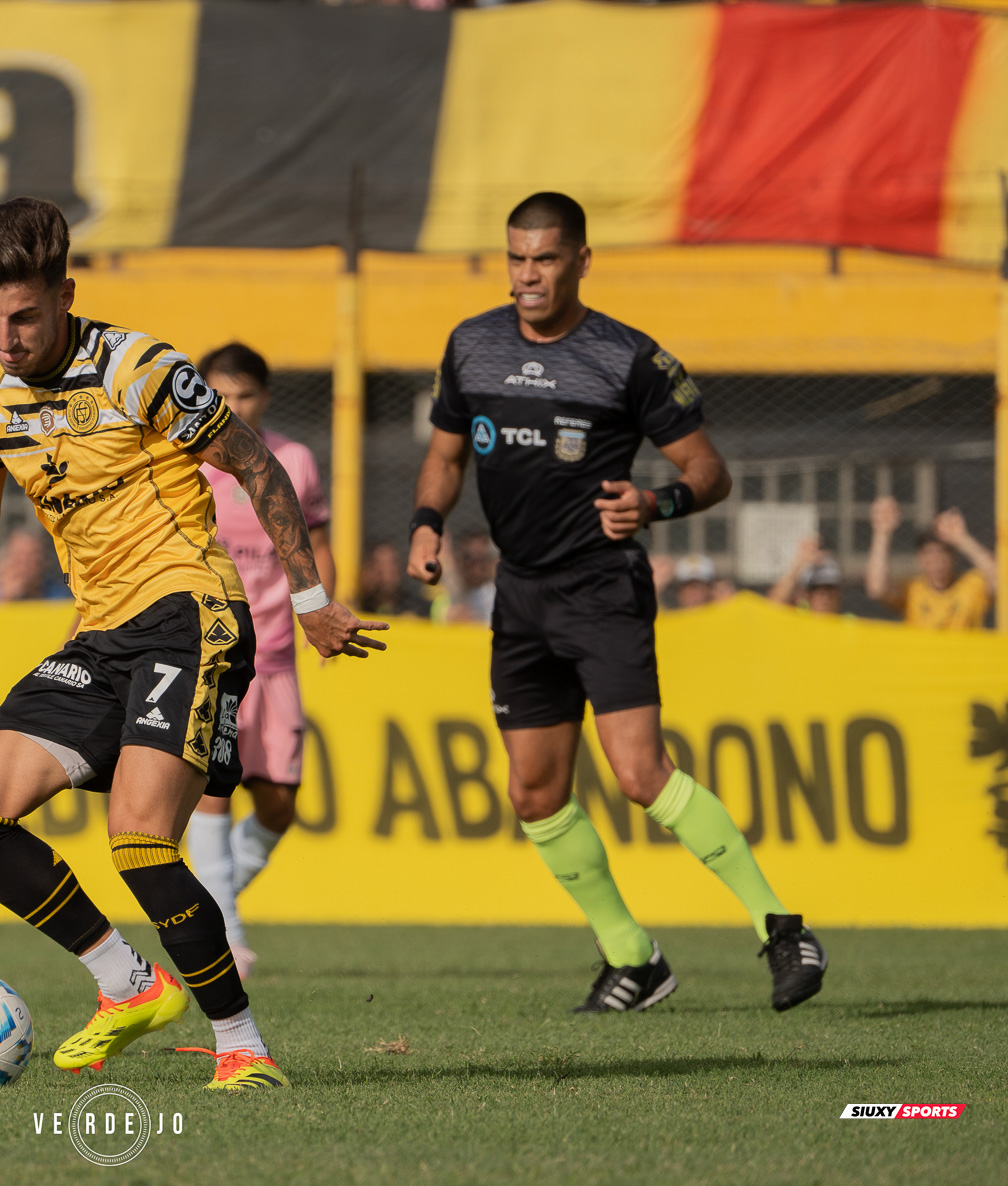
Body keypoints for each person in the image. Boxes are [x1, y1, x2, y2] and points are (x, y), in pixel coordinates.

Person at [0, 198, 385, 1091]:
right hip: (97, 630)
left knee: (141, 842)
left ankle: (244, 1048)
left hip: (189, 613)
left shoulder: (138, 367)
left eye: (24, 317)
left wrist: (310, 596)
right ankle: (125, 982)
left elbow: (256, 464)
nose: (5, 337)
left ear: (66, 295)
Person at [406, 192, 826, 1014]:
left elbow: (710, 473)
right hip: (518, 593)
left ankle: (782, 928)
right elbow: (446, 457)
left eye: (547, 259)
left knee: (638, 774)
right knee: (534, 795)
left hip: (601, 586)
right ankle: (635, 959)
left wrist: (656, 505)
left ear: (582, 262)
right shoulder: (472, 345)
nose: (529, 275)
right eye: (517, 258)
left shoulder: (627, 359)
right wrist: (426, 523)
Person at [183, 342, 334, 979]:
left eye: (244, 396)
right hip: (208, 655)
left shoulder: (291, 461)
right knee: (213, 791)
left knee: (279, 805)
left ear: (264, 398)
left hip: (273, 661)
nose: (232, 407)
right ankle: (226, 938)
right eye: (221, 394)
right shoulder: (183, 461)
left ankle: (210, 903)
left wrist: (323, 609)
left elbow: (316, 539)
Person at [865, 497, 995, 628]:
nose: (936, 561)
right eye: (929, 554)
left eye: (942, 553)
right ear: (920, 559)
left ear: (954, 556)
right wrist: (882, 533)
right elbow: (877, 588)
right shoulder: (912, 591)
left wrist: (962, 539)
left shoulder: (971, 586)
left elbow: (1001, 579)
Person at [0, 527, 68, 602]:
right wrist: (4, 599)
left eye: (31, 557)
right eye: (19, 557)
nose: (24, 566)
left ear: (42, 561)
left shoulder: (56, 593)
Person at [769, 535, 842, 615]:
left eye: (829, 588)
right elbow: (772, 608)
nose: (824, 596)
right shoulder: (798, 621)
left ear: (837, 594)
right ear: (806, 595)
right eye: (815, 588)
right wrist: (800, 563)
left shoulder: (847, 624)